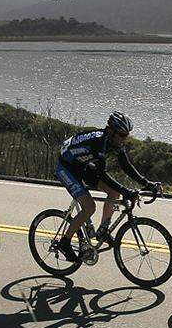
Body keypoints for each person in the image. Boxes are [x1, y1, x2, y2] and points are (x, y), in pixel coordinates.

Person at [53, 111, 160, 262]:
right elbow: (102, 174)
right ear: (111, 131)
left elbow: (126, 166)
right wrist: (127, 191)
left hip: (82, 164)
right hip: (66, 168)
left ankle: (102, 231)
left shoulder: (115, 141)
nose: (125, 138)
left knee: (114, 192)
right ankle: (64, 242)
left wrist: (147, 184)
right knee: (89, 207)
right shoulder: (99, 142)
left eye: (126, 135)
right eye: (122, 135)